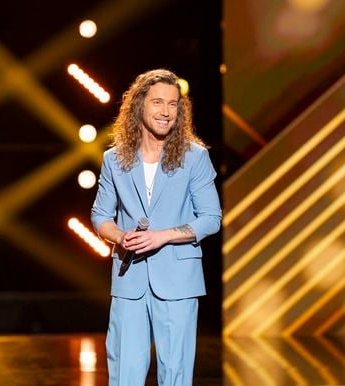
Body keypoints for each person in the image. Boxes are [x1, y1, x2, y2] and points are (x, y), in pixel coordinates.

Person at [91, 68, 222, 386]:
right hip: (129, 279)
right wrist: (121, 236)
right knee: (125, 372)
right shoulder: (115, 159)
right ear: (139, 106)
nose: (166, 111)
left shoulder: (195, 157)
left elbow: (211, 217)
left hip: (178, 281)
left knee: (175, 371)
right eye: (158, 102)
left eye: (174, 104)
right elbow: (100, 216)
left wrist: (162, 237)